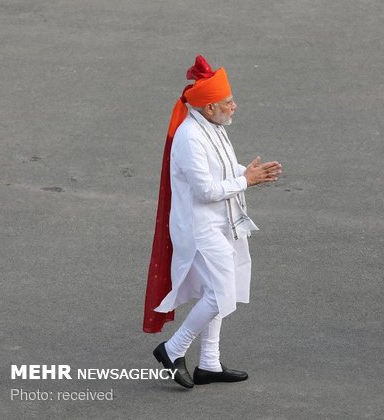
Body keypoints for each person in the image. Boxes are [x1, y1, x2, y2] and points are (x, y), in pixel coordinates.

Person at [143, 55, 283, 387]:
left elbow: (222, 170)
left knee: (217, 290)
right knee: (222, 293)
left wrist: (248, 174)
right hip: (200, 228)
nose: (234, 106)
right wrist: (246, 181)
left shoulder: (213, 128)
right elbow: (206, 190)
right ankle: (173, 349)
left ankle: (209, 363)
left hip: (221, 223)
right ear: (209, 108)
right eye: (228, 102)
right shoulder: (190, 137)